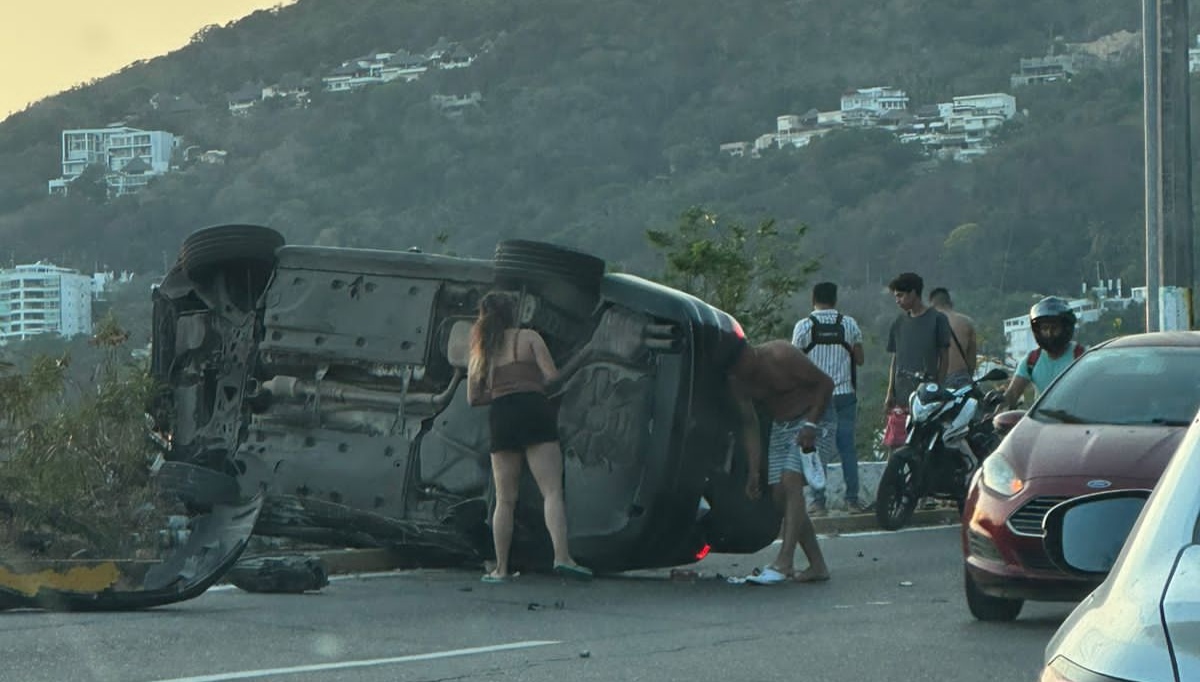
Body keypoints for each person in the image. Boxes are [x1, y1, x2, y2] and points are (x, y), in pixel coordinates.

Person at [466, 292, 592, 583]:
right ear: (513, 313)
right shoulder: (529, 337)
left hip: (502, 415)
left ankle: (501, 568)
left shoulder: (480, 348)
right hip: (534, 410)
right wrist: (531, 383)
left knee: (505, 499)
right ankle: (562, 556)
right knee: (551, 491)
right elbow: (553, 377)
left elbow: (473, 398)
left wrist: (501, 391)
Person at [728, 339, 834, 584]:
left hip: (815, 417)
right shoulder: (737, 381)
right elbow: (750, 424)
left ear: (748, 351)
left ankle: (784, 561)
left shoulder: (781, 354)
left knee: (791, 480)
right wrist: (754, 470)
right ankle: (818, 565)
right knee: (779, 496)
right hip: (781, 426)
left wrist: (811, 424)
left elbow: (825, 385)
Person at [791, 282, 870, 516]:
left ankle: (818, 502)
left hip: (816, 400)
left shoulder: (804, 326)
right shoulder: (849, 324)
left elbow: (795, 363)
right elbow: (861, 359)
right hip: (845, 395)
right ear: (835, 299)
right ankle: (852, 500)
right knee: (848, 449)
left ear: (813, 298)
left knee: (816, 450)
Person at [884, 272, 951, 413]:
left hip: (927, 396)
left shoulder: (937, 320)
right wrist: (890, 391)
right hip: (901, 396)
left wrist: (938, 387)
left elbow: (944, 357)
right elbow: (895, 359)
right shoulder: (899, 323)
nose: (897, 300)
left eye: (900, 295)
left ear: (913, 293)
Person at [1003, 296, 1085, 409]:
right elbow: (1012, 395)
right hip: (1041, 423)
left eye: (1054, 328)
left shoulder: (1081, 358)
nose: (1049, 333)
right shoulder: (1031, 361)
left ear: (1066, 328)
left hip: (1076, 422)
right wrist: (997, 409)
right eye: (1045, 328)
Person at [928, 287, 977, 389]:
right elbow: (972, 360)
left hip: (934, 383)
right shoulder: (967, 322)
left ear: (932, 305)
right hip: (961, 380)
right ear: (950, 303)